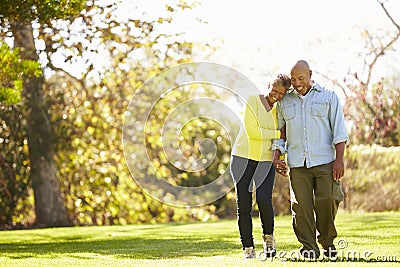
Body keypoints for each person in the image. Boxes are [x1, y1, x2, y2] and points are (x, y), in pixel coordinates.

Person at [272, 60, 348, 259]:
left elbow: (339, 130)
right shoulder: (284, 102)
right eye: (294, 79)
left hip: (325, 161)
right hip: (298, 163)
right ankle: (308, 249)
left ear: (310, 74)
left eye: (301, 78)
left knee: (329, 199)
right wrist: (277, 156)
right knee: (301, 208)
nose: (297, 83)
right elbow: (281, 133)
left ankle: (327, 241)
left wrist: (339, 160)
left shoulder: (329, 97)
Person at [230, 74, 291, 259]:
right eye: (274, 90)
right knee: (245, 205)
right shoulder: (252, 101)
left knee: (264, 200)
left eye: (281, 93)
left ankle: (269, 239)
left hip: (265, 160)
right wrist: (277, 133)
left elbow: (284, 137)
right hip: (242, 157)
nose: (277, 95)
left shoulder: (280, 110)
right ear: (268, 86)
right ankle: (248, 248)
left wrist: (280, 147)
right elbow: (252, 131)